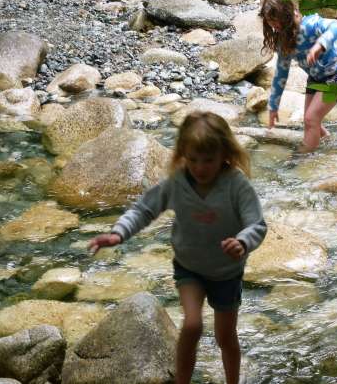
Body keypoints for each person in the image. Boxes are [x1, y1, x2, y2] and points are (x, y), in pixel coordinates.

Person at [88, 111, 267, 384]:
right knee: (192, 325)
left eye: (209, 160)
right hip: (189, 268)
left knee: (225, 337)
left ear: (225, 155)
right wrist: (118, 234)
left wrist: (243, 241)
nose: (200, 167)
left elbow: (257, 224)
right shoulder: (177, 183)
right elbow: (144, 209)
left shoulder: (236, 185)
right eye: (193, 159)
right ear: (183, 154)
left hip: (226, 273)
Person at [260, 0, 337, 153]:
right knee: (309, 120)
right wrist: (273, 106)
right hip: (317, 76)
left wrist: (320, 45)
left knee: (311, 118)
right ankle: (331, 148)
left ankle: (302, 161)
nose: (276, 29)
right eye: (272, 25)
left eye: (278, 23)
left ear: (292, 14)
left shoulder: (311, 25)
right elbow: (281, 74)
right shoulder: (284, 41)